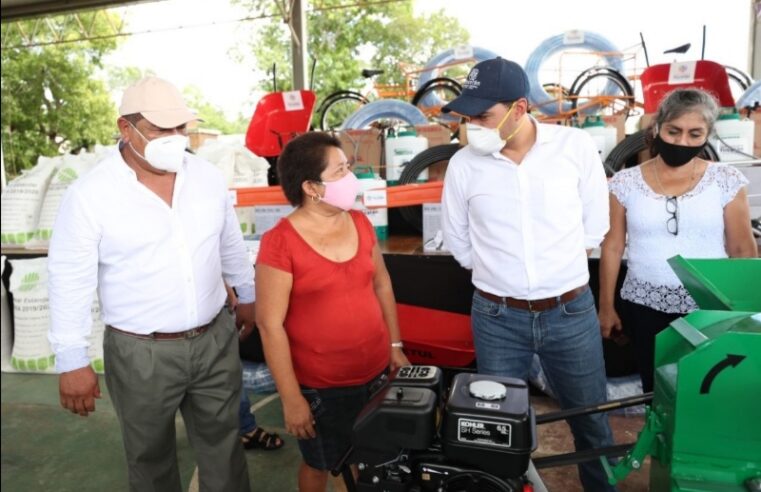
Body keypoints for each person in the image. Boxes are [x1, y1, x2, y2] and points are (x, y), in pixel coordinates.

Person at [47, 76, 255, 492]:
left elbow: (229, 242)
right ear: (127, 129)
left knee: (225, 447)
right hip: (141, 353)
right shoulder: (91, 195)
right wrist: (72, 359)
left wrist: (247, 294)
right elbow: (70, 277)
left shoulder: (206, 177)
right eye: (162, 130)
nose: (176, 139)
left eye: (181, 128)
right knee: (150, 458)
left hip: (214, 339)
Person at [440, 57, 617, 492]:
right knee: (496, 430)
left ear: (519, 108)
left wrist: (550, 273)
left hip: (570, 312)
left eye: (483, 116)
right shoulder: (464, 165)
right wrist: (503, 277)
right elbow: (458, 239)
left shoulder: (574, 149)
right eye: (467, 118)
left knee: (591, 423)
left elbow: (594, 227)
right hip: (497, 317)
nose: (472, 126)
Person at [254, 132, 409, 492]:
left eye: (348, 167)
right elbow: (269, 324)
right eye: (340, 171)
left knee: (372, 460)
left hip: (374, 375)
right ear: (312, 187)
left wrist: (394, 345)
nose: (350, 178)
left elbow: (382, 285)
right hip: (321, 391)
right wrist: (292, 400)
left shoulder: (360, 223)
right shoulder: (280, 242)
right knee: (320, 464)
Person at [598, 88, 757, 393]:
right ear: (657, 127)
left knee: (707, 390)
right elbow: (613, 246)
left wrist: (747, 311)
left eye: (694, 134)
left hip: (711, 308)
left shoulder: (726, 181)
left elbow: (741, 249)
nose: (682, 142)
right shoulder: (624, 182)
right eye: (673, 131)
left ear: (707, 135)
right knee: (655, 391)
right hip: (644, 306)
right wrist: (606, 307)